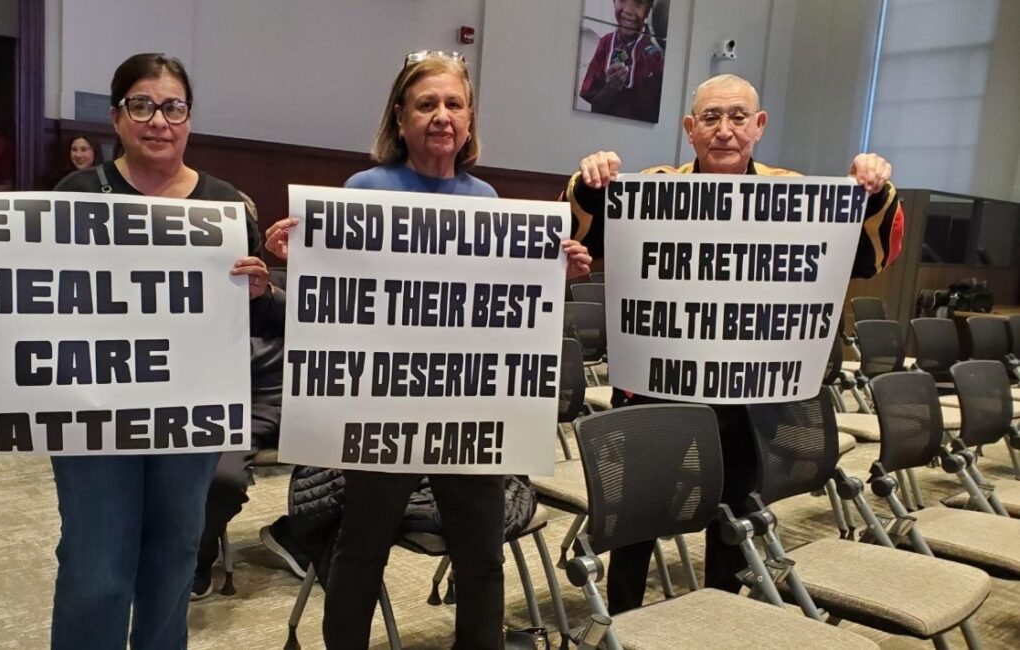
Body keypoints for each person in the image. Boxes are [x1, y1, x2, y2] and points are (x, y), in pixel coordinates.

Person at [0, 53, 276, 650]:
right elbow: (21, 291)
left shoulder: (226, 208)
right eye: (142, 104)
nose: (159, 119)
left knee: (174, 559)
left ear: (189, 118)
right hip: (93, 416)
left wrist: (259, 289)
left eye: (173, 107)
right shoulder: (77, 193)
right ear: (116, 117)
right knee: (97, 567)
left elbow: (251, 319)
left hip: (190, 421)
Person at [264, 49, 593, 650]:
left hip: (468, 408)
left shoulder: (488, 199)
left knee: (481, 558)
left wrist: (555, 274)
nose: (441, 116)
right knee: (360, 552)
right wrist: (302, 258)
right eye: (426, 104)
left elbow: (503, 308)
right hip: (385, 405)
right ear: (400, 115)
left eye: (454, 104)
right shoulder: (366, 189)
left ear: (469, 119)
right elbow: (345, 293)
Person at [564, 73, 904, 613]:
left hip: (750, 397)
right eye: (710, 118)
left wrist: (873, 190)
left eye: (738, 117)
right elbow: (580, 240)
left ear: (759, 125)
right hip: (660, 390)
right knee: (638, 521)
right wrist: (590, 180)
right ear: (689, 129)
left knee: (735, 522)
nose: (724, 130)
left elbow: (869, 261)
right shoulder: (653, 188)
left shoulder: (792, 193)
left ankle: (724, 618)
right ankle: (622, 625)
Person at [191, 193, 288, 600]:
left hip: (268, 405)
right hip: (200, 402)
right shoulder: (179, 280)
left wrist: (266, 292)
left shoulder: (270, 282)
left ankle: (300, 537)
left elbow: (322, 318)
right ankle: (185, 550)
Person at [579, 0, 664, 122]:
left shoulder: (657, 55)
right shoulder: (605, 44)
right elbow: (595, 108)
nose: (628, 10)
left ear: (648, 11)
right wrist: (610, 88)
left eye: (639, 2)